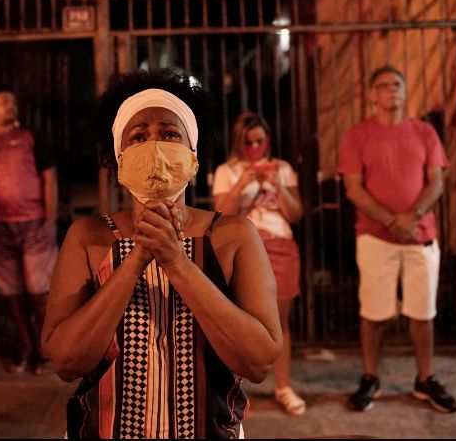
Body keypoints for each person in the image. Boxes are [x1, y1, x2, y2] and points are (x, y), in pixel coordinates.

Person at [42, 69, 282, 439]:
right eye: (138, 137)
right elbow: (66, 362)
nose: (154, 146)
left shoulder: (232, 235)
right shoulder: (90, 237)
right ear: (119, 159)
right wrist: (138, 256)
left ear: (192, 154)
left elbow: (259, 360)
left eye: (170, 134)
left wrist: (176, 261)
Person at [337, 65, 456, 414]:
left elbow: (436, 181)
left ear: (406, 92)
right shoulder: (357, 135)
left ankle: (425, 379)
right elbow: (353, 189)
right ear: (372, 95)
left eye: (398, 85)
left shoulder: (424, 132)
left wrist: (413, 216)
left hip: (420, 236)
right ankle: (370, 376)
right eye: (384, 86)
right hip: (376, 238)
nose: (392, 91)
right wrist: (392, 220)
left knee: (422, 313)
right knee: (374, 312)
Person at [212, 112, 306, 416]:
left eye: (259, 141)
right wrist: (242, 183)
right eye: (247, 142)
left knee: (280, 320)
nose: (254, 147)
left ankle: (283, 386)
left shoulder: (283, 168)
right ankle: (234, 391)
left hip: (280, 244)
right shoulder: (227, 171)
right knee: (237, 320)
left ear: (268, 140)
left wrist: (276, 185)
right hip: (245, 248)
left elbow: (296, 214)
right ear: (238, 142)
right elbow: (221, 215)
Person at [0, 86, 58, 374]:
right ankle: (27, 348)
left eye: (14, 103)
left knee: (39, 291)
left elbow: (49, 179)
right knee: (12, 293)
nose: (11, 107)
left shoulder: (30, 138)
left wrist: (49, 219)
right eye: (5, 102)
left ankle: (48, 350)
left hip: (34, 224)